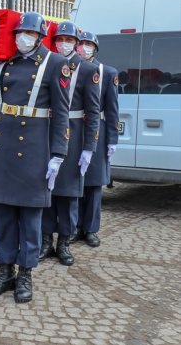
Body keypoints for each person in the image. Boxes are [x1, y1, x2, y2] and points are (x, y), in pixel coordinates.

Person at [0, 12, 70, 304]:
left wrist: (58, 153)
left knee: (29, 218)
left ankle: (25, 273)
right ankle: (5, 271)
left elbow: (62, 113)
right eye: (18, 33)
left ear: (40, 37)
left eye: (27, 33)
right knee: (3, 215)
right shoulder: (6, 63)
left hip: (32, 150)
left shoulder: (55, 63)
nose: (21, 38)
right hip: (1, 148)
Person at [40, 22, 101, 266]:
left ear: (76, 42)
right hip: (48, 133)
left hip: (74, 135)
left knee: (69, 193)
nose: (63, 43)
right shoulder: (48, 65)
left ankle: (64, 241)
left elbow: (93, 111)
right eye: (59, 38)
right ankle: (45, 240)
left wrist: (89, 148)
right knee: (47, 190)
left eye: (68, 39)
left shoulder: (87, 70)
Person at [75, 31, 119, 248]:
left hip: (97, 132)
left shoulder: (108, 73)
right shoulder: (70, 69)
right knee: (75, 181)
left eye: (88, 44)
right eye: (81, 43)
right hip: (74, 130)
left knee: (93, 185)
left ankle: (90, 229)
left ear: (95, 48)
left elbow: (112, 110)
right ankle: (74, 226)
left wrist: (113, 139)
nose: (84, 47)